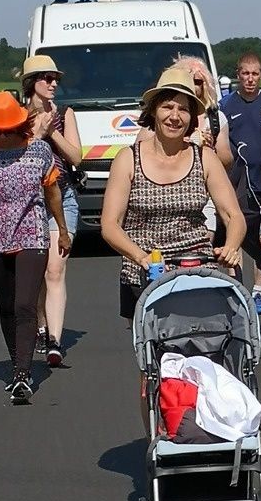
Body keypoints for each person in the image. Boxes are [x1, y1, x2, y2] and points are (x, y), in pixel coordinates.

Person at [101, 65, 245, 325]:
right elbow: (110, 224)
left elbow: (233, 215)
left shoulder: (205, 157)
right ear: (153, 111)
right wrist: (141, 257)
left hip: (196, 266)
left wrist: (231, 247)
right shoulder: (128, 159)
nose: (175, 116)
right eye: (167, 107)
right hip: (144, 269)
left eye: (183, 109)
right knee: (151, 344)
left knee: (205, 338)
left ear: (192, 118)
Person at [0, 91, 70, 405]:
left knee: (25, 304)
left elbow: (52, 193)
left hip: (32, 234)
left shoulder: (39, 151)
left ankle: (23, 374)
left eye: (8, 131)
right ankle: (16, 362)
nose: (2, 137)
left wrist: (62, 230)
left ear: (20, 126)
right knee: (7, 307)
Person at [22, 54, 83, 366]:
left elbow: (76, 157)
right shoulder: (18, 116)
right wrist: (36, 134)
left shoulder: (65, 113)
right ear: (32, 82)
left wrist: (52, 131)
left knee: (54, 270)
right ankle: (42, 326)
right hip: (29, 202)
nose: (53, 83)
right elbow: (16, 158)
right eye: (47, 78)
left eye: (56, 78)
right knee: (37, 273)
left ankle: (55, 341)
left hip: (63, 197)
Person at [220, 50, 261, 312]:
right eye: (245, 73)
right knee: (234, 236)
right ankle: (237, 290)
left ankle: (258, 292)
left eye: (255, 74)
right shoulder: (225, 105)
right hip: (235, 182)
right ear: (238, 75)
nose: (250, 78)